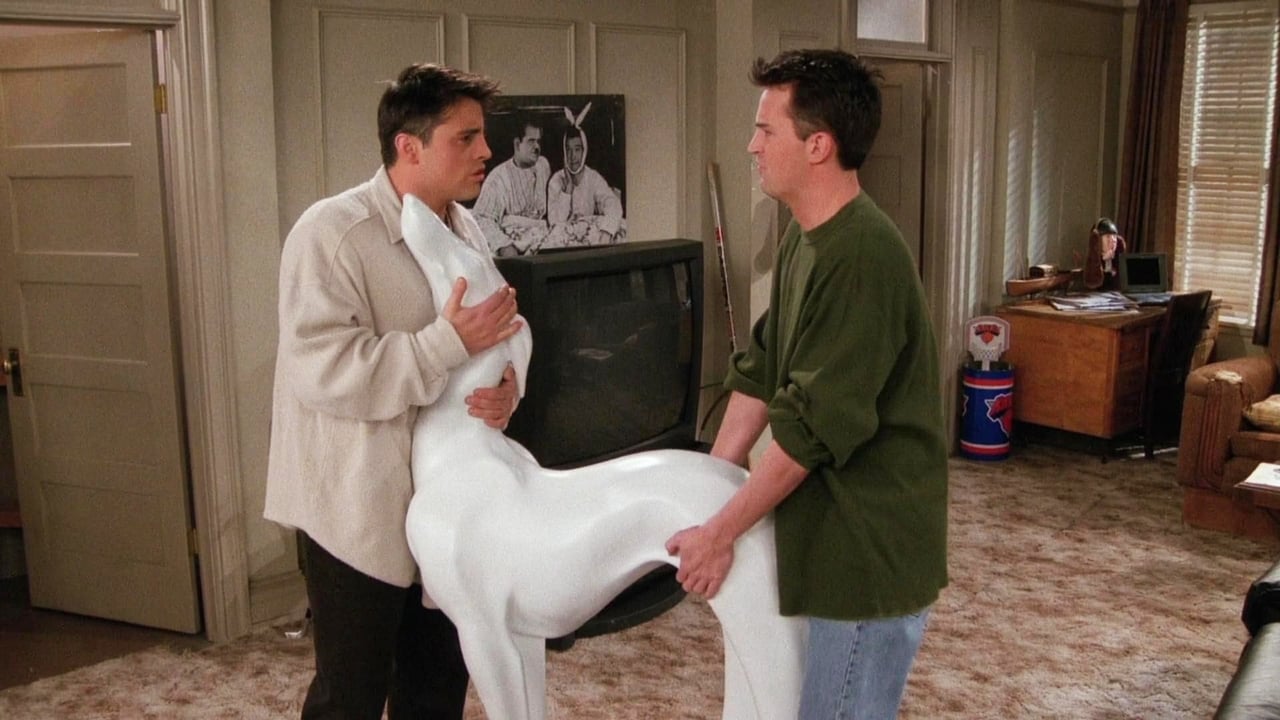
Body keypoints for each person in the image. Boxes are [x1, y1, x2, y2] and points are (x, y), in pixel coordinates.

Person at [664, 49, 948, 720]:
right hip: (825, 535)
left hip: (867, 550)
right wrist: (711, 484)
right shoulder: (806, 235)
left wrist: (720, 532)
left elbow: (809, 430)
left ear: (818, 145)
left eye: (766, 130)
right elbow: (765, 368)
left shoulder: (861, 255)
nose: (751, 145)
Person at [264, 63, 524, 720]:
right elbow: (323, 369)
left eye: (482, 136)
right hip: (355, 510)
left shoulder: (466, 229)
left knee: (436, 687)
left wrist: (508, 386)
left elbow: (503, 328)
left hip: (445, 502)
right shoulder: (331, 234)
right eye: (465, 138)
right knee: (349, 695)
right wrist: (447, 344)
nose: (486, 151)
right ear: (409, 146)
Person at [472, 122, 552, 256]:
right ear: (517, 144)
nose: (537, 147)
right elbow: (481, 218)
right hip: (513, 248)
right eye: (531, 141)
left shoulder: (543, 166)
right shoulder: (498, 178)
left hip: (542, 245)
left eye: (538, 141)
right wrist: (504, 246)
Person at [546, 126, 626, 247]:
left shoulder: (593, 177)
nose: (572, 156)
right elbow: (555, 223)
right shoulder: (556, 180)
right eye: (568, 150)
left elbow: (612, 203)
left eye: (577, 150)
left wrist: (607, 231)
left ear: (584, 151)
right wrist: (567, 191)